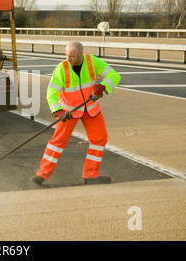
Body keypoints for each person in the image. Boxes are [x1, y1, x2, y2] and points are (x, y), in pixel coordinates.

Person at [30, 40, 121, 186]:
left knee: (100, 139)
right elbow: (52, 92)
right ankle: (42, 174)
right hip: (69, 111)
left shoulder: (93, 62)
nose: (68, 59)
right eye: (66, 55)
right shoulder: (61, 68)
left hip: (90, 108)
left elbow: (114, 75)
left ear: (80, 55)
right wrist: (58, 111)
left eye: (71, 56)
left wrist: (102, 87)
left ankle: (91, 175)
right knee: (57, 143)